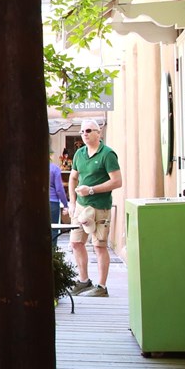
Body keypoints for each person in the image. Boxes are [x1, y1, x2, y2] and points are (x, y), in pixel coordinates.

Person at [67, 122, 122, 298]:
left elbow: (117, 181)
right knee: (76, 243)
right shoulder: (79, 154)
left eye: (89, 130)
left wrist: (91, 190)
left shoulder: (107, 154)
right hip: (81, 207)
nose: (85, 134)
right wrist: (72, 202)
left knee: (99, 246)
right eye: (82, 131)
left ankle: (102, 286)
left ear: (99, 133)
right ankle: (84, 281)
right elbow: (73, 178)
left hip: (100, 206)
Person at [48, 151, 69, 229]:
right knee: (53, 229)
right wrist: (65, 204)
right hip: (52, 202)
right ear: (50, 156)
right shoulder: (54, 169)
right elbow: (59, 189)